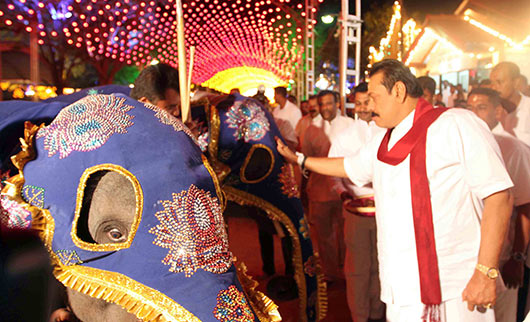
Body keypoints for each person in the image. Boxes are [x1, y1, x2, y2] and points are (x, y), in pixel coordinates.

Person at [276, 59, 513, 321]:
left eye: (375, 98)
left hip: (457, 286)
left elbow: (498, 196)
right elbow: (347, 165)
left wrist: (485, 272)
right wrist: (299, 160)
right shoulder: (383, 140)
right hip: (402, 289)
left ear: (398, 91)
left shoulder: (456, 124)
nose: (369, 107)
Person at [467, 87, 530, 322]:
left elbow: (525, 207)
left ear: (499, 112)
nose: (473, 114)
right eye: (469, 108)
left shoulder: (512, 149)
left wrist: (516, 259)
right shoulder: (464, 146)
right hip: (467, 258)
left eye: (481, 108)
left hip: (501, 261)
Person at [328, 82, 386, 322]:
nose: (363, 108)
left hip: (386, 211)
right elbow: (333, 173)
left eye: (367, 102)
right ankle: (360, 316)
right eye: (358, 103)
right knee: (358, 268)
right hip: (356, 210)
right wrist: (344, 194)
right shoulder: (345, 137)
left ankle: (377, 313)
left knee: (382, 266)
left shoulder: (388, 131)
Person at [301, 90, 353, 281]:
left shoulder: (350, 126)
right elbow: (306, 161)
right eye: (321, 104)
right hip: (319, 191)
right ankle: (331, 274)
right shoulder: (311, 129)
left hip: (346, 191)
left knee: (346, 235)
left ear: (338, 104)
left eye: (328, 103)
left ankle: (348, 271)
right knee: (324, 236)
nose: (325, 108)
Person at [490, 62, 530, 146]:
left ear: (516, 82)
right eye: (492, 83)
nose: (493, 87)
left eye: (499, 82)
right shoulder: (491, 110)